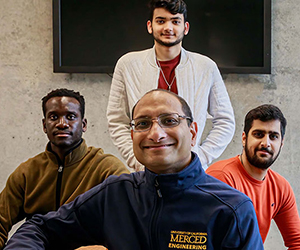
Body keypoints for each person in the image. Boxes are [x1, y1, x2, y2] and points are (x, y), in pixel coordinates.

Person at [4, 89, 263, 249]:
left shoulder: (231, 210)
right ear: (132, 135)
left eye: (169, 121)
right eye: (142, 123)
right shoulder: (115, 194)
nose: (156, 133)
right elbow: (40, 228)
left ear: (193, 132)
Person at [107, 0, 235, 171]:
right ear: (150, 26)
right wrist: (136, 159)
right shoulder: (128, 64)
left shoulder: (206, 66)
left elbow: (225, 121)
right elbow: (117, 120)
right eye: (161, 21)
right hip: (145, 170)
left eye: (175, 21)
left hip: (190, 172)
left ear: (186, 27)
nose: (168, 27)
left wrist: (201, 157)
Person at [0, 88, 129, 249]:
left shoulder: (107, 168)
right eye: (54, 117)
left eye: (70, 117)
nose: (62, 123)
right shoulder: (26, 173)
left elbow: (129, 222)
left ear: (83, 125)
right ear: (44, 125)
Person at [206, 104, 300, 249]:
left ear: (281, 143)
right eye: (258, 134)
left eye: (273, 136)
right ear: (244, 138)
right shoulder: (221, 178)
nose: (266, 143)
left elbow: (297, 241)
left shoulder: (281, 187)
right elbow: (204, 240)